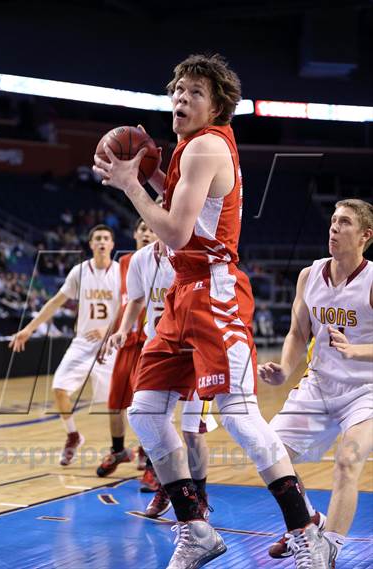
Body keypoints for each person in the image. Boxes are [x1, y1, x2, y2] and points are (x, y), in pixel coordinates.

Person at [94, 53, 328, 569]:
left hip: (215, 291)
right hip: (183, 291)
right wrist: (152, 179)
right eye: (177, 89)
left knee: (239, 416)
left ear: (218, 105)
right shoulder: (189, 149)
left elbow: (175, 232)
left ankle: (308, 529)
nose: (181, 98)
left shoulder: (202, 147)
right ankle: (194, 527)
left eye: (195, 92)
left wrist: (131, 181)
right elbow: (186, 216)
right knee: (147, 411)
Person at [259, 199, 373, 567]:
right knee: (270, 455)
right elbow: (297, 332)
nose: (333, 228)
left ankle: (330, 550)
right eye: (333, 221)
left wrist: (357, 352)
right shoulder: (310, 275)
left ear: (365, 236)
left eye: (344, 223)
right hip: (319, 385)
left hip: (365, 390)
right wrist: (285, 369)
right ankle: (307, 523)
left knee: (346, 461)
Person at [106, 237, 218, 519]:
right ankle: (169, 487)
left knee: (193, 431)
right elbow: (135, 300)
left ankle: (200, 494)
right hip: (159, 350)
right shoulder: (139, 259)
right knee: (153, 423)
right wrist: (123, 330)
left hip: (195, 350)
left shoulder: (191, 253)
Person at [9, 225, 121, 466]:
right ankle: (73, 435)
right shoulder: (79, 272)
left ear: (112, 244)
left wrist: (108, 328)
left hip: (110, 343)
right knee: (59, 388)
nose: (102, 242)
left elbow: (132, 308)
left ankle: (134, 449)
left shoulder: (122, 272)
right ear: (91, 244)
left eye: (106, 238)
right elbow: (55, 302)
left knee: (120, 402)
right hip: (82, 342)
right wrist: (29, 328)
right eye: (97, 238)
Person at [96, 219, 156, 478]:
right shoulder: (125, 263)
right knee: (115, 402)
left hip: (152, 343)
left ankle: (153, 460)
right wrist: (110, 334)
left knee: (146, 405)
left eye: (152, 228)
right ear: (134, 233)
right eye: (142, 228)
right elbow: (124, 304)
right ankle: (119, 450)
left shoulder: (163, 258)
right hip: (127, 342)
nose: (146, 233)